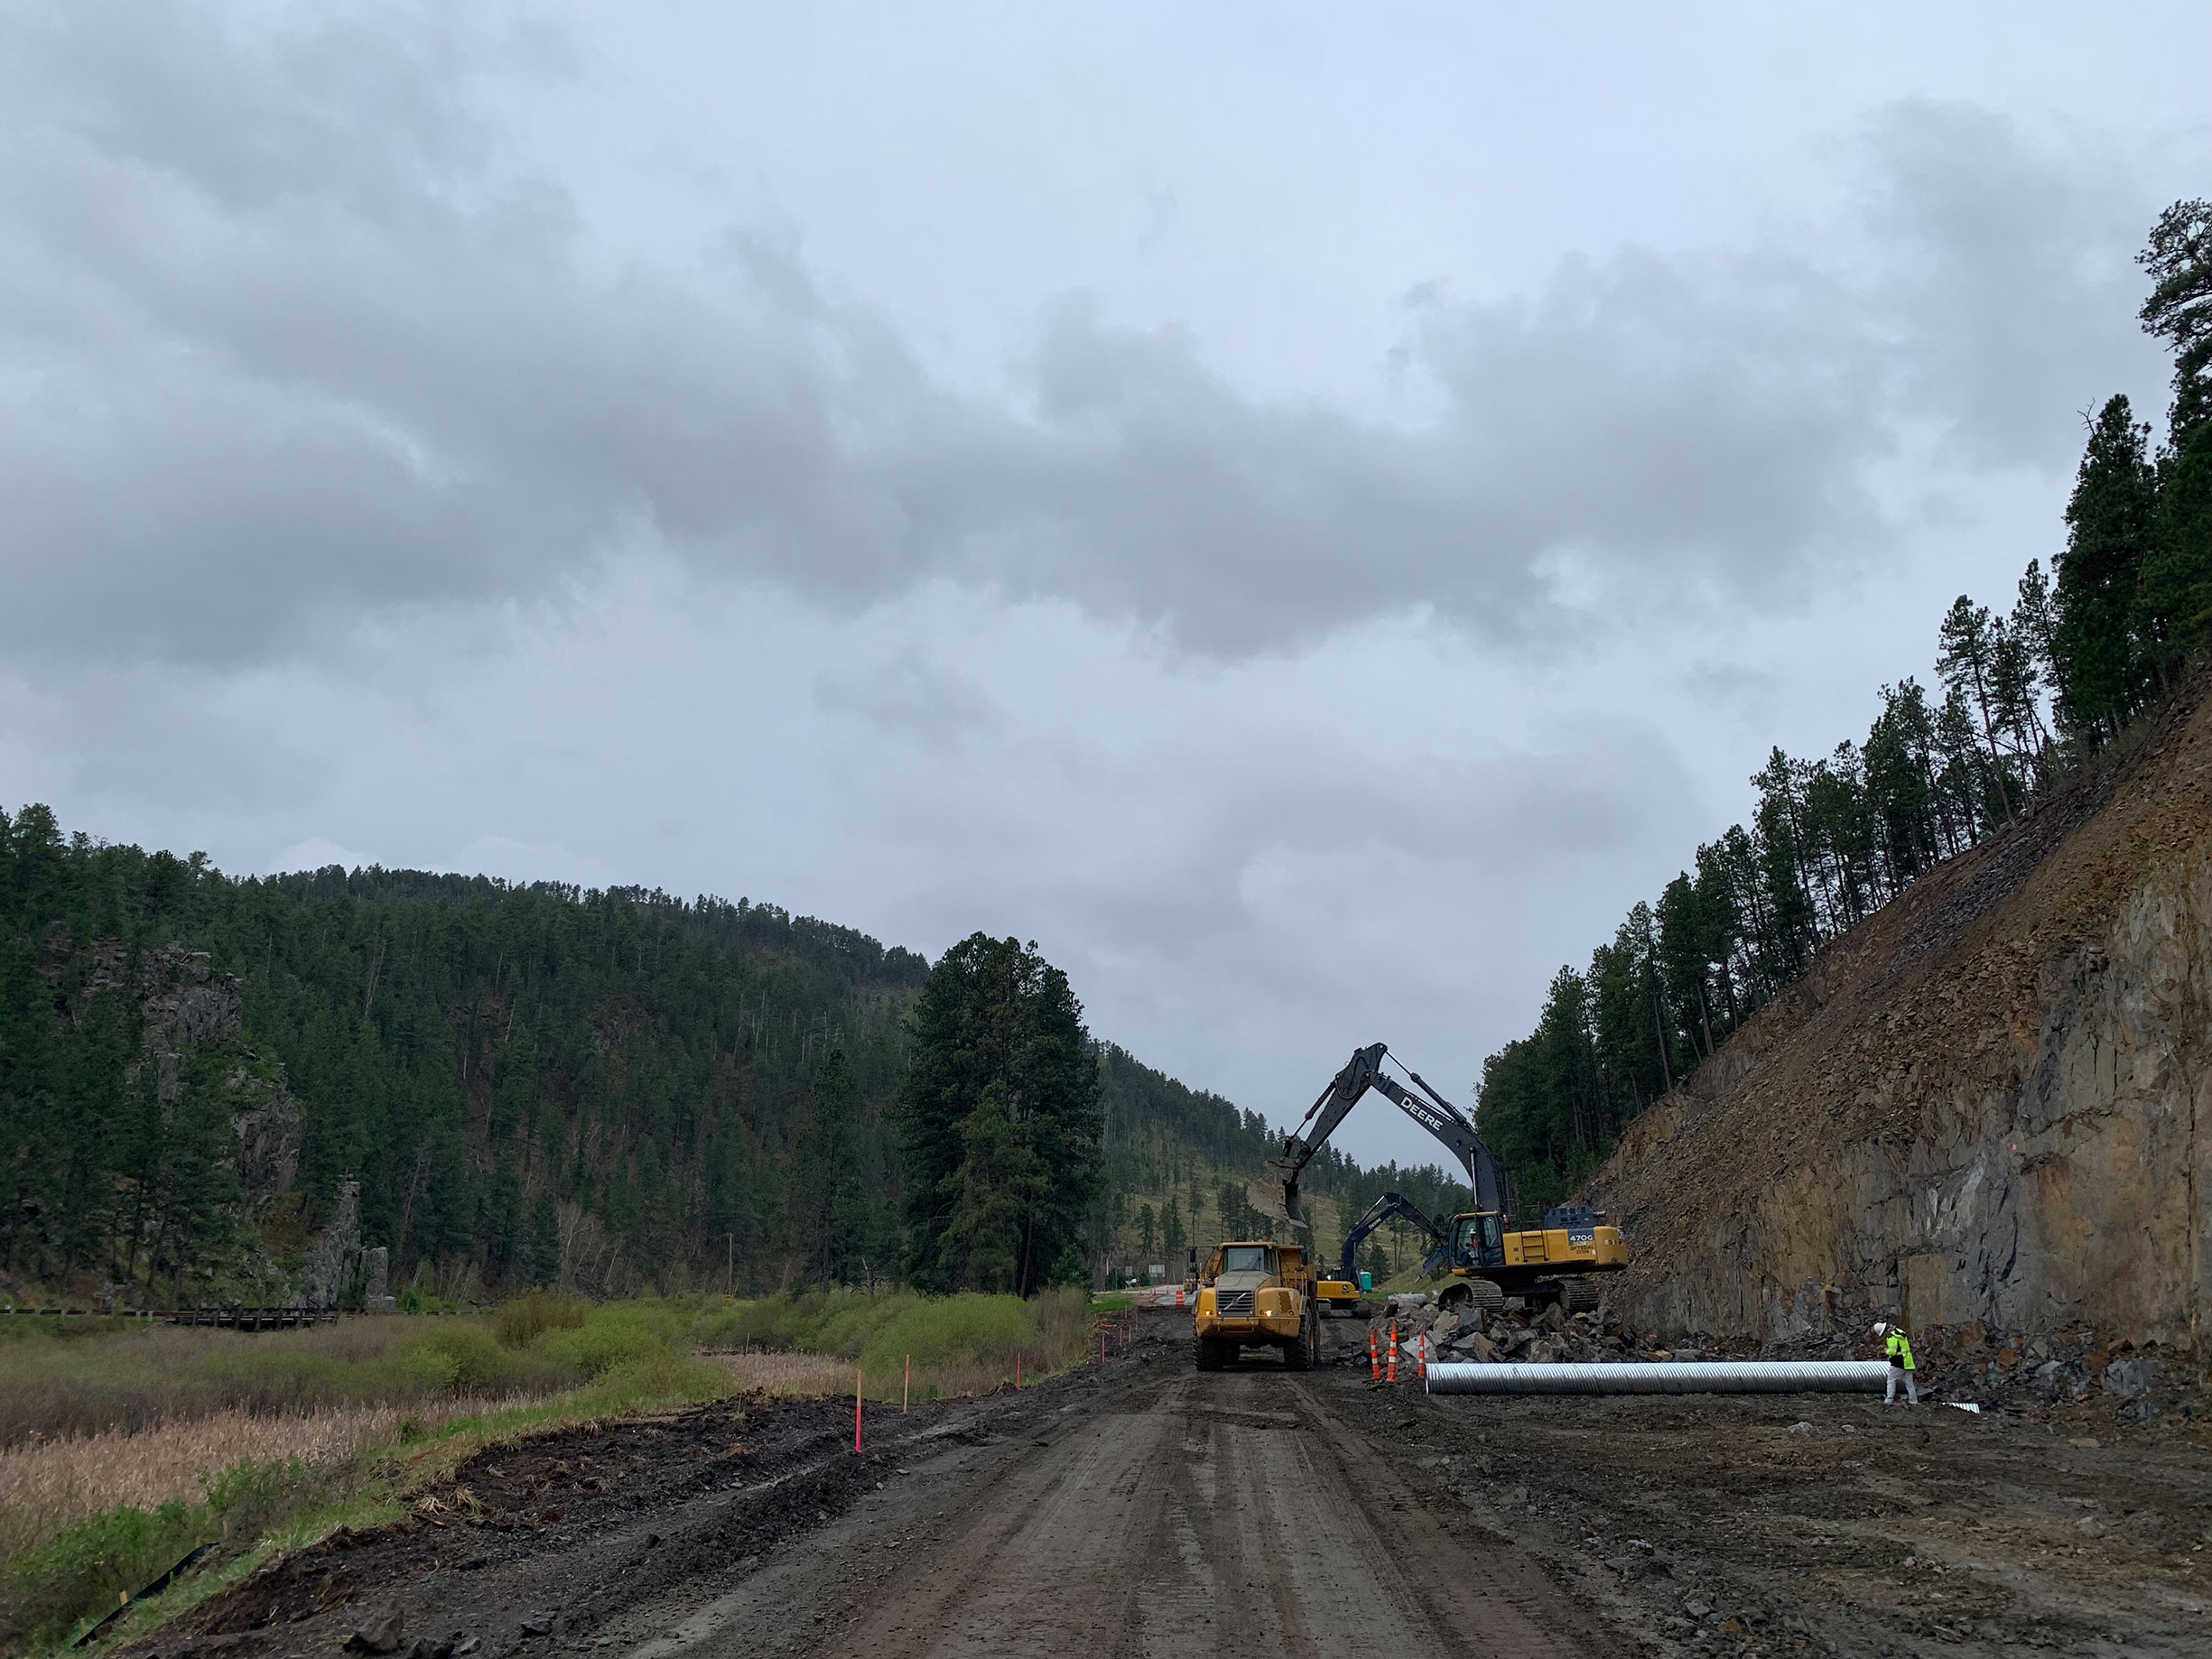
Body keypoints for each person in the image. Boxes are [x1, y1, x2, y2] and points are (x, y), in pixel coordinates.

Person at [1873, 1321, 1918, 1404]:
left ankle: (1889, 1400)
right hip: (1908, 1361)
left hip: (1898, 1362)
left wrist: (1885, 1350)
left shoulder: (1891, 1337)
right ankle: (1913, 1401)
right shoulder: (1900, 1332)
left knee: (1891, 1380)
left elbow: (1893, 1351)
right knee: (1909, 1384)